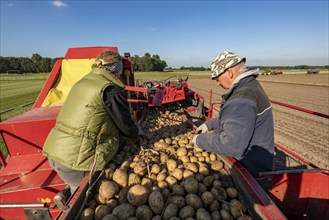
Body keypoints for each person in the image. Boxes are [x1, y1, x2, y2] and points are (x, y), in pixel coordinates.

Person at [42, 50, 144, 208]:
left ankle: (66, 191)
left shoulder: (84, 80)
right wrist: (137, 132)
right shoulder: (110, 89)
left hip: (55, 151)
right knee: (86, 201)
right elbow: (126, 126)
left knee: (74, 183)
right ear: (116, 69)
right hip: (76, 161)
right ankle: (71, 195)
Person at [192, 51, 274, 177]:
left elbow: (231, 145)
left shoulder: (241, 98)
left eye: (217, 78)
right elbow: (236, 118)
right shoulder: (250, 86)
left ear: (230, 72)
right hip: (259, 163)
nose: (218, 83)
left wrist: (200, 140)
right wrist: (210, 125)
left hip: (251, 170)